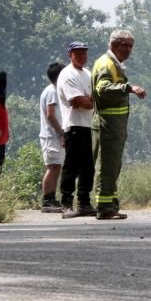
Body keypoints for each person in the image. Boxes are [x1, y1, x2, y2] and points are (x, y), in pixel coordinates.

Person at [91, 29, 146, 220]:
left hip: (115, 125)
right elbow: (103, 89)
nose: (129, 50)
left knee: (113, 166)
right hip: (108, 124)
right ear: (115, 45)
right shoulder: (106, 64)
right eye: (126, 46)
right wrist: (128, 88)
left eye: (131, 46)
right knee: (107, 166)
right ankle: (104, 208)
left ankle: (110, 205)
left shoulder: (114, 63)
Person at [57, 41, 97, 219]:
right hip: (73, 125)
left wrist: (88, 100)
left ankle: (84, 202)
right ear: (70, 55)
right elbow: (82, 102)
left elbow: (91, 100)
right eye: (78, 53)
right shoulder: (68, 75)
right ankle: (66, 203)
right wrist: (86, 100)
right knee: (71, 166)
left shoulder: (87, 74)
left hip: (88, 125)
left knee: (87, 167)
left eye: (84, 53)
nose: (82, 56)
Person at [39, 61, 66, 212]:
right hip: (51, 136)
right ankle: (47, 199)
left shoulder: (56, 90)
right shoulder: (52, 91)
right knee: (53, 167)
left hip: (55, 135)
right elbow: (50, 115)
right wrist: (61, 132)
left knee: (57, 166)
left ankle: (52, 198)